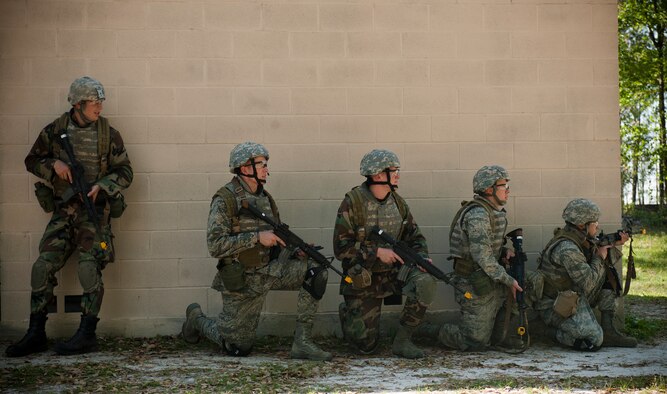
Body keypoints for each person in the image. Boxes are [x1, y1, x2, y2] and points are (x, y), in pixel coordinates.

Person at [7, 76, 133, 357]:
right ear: (78, 104)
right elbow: (32, 160)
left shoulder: (107, 134)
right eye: (94, 103)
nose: (99, 107)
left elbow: (125, 171)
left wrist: (103, 185)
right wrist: (55, 164)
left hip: (94, 212)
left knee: (89, 269)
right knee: (42, 267)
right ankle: (36, 333)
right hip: (65, 211)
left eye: (101, 102)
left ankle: (87, 335)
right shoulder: (56, 130)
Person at [181, 142, 332, 361]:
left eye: (265, 165)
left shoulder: (265, 198)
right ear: (244, 168)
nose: (266, 170)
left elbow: (276, 239)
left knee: (316, 270)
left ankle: (303, 343)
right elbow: (215, 245)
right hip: (244, 279)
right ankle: (196, 320)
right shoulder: (226, 199)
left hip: (271, 270)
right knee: (237, 347)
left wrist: (294, 251)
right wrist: (256, 238)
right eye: (261, 164)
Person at [334, 149, 436, 359]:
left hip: (394, 274)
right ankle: (350, 313)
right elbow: (341, 249)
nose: (398, 174)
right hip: (364, 278)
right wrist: (376, 252)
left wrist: (422, 257)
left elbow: (416, 237)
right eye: (394, 170)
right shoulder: (353, 202)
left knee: (426, 281)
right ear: (378, 175)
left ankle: (403, 340)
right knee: (365, 347)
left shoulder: (398, 203)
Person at [416, 165, 522, 351]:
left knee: (525, 287)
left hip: (491, 277)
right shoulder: (478, 215)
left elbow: (486, 247)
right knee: (474, 341)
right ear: (489, 189)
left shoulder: (493, 211)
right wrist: (508, 280)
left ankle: (501, 335)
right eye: (503, 186)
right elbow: (482, 256)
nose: (508, 190)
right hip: (474, 283)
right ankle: (426, 330)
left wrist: (504, 251)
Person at [533, 198, 637, 350]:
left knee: (607, 275)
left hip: (571, 297)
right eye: (595, 222)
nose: (598, 225)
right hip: (554, 306)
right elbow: (588, 283)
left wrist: (614, 242)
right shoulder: (567, 248)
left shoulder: (579, 239)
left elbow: (595, 249)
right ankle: (545, 331)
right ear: (583, 224)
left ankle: (609, 331)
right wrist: (599, 257)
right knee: (593, 340)